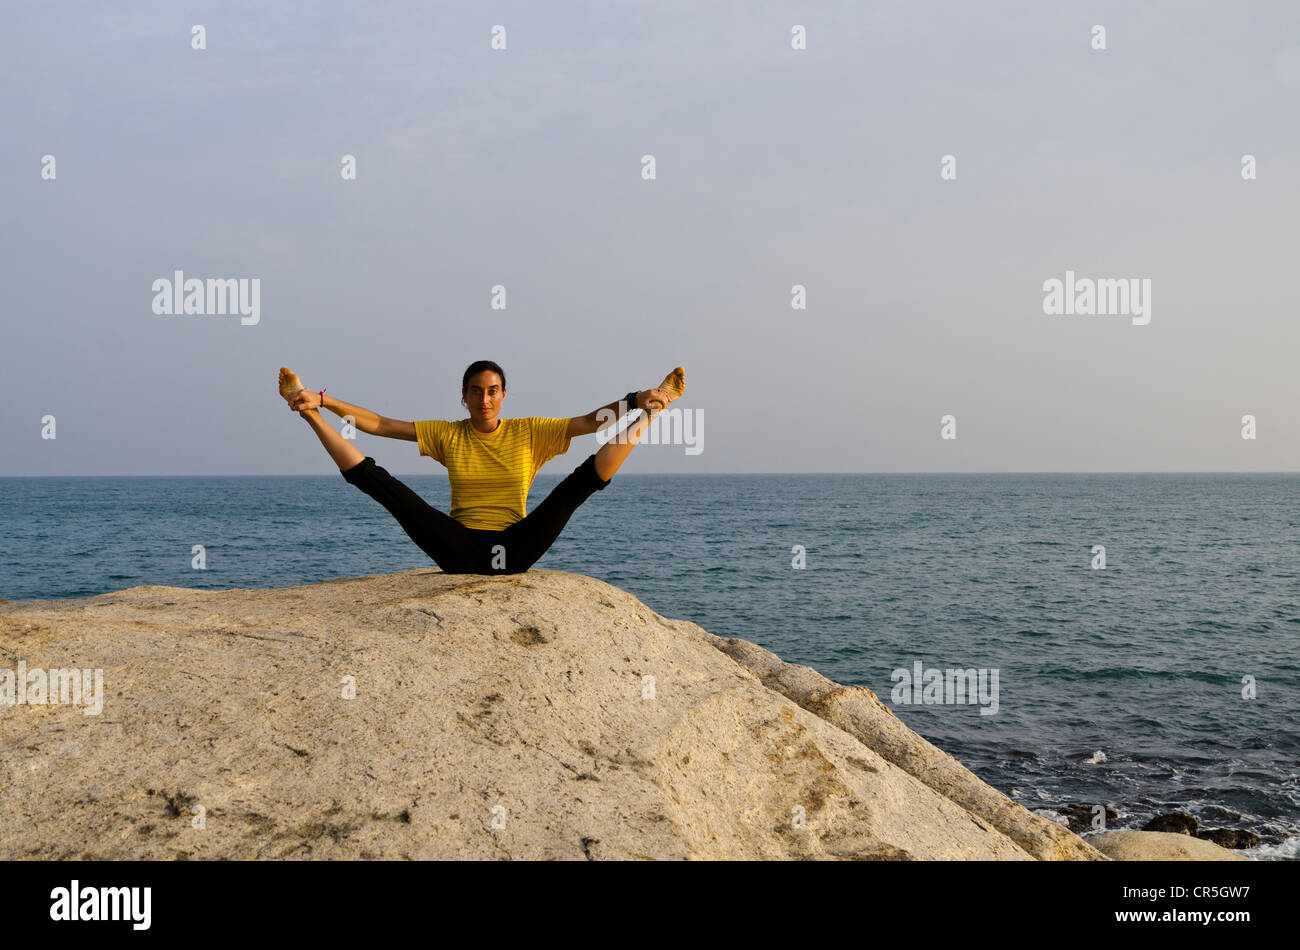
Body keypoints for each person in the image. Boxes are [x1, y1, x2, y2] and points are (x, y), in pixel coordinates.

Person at [277, 360, 685, 574]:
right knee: (387, 489)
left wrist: (634, 401)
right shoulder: (449, 433)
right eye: (476, 392)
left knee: (577, 486)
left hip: (515, 547)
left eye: (492, 392)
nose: (484, 400)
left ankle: (655, 409)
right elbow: (380, 425)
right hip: (458, 548)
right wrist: (324, 402)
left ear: (504, 394)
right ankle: (306, 411)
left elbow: (590, 422)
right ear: (464, 396)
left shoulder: (531, 432)